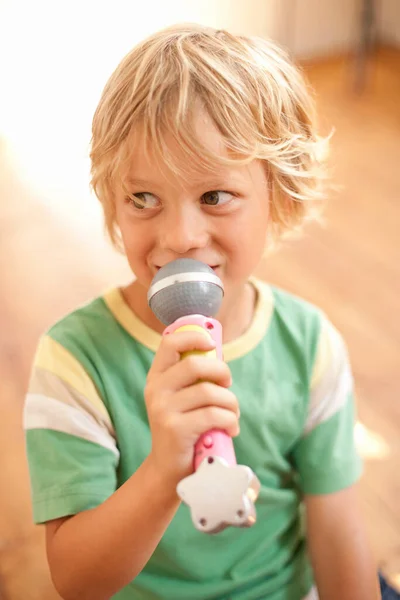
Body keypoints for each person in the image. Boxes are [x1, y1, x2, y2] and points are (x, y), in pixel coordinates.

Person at [24, 23, 380, 600]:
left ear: (279, 198)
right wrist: (165, 468)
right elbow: (77, 580)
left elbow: (338, 532)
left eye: (214, 196)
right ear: (112, 200)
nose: (181, 236)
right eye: (144, 198)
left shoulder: (311, 345)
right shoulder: (73, 361)